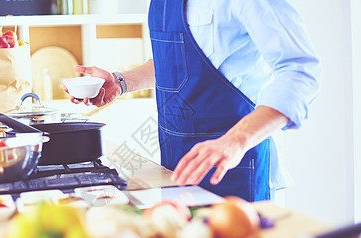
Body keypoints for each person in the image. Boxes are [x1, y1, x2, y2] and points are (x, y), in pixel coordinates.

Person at [66, 0, 322, 202]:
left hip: (238, 171)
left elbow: (300, 71)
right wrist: (120, 82)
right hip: (176, 168)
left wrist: (236, 140)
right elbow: (178, 62)